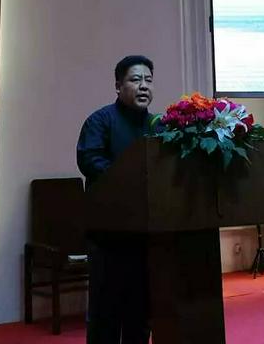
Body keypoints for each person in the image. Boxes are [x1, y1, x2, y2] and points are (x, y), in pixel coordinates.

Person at [76, 55, 155, 344]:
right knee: (105, 314)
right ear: (118, 86)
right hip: (108, 236)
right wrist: (128, 180)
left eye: (148, 80)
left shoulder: (158, 127)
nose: (143, 86)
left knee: (140, 313)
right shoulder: (100, 121)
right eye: (136, 80)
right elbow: (89, 159)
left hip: (147, 237)